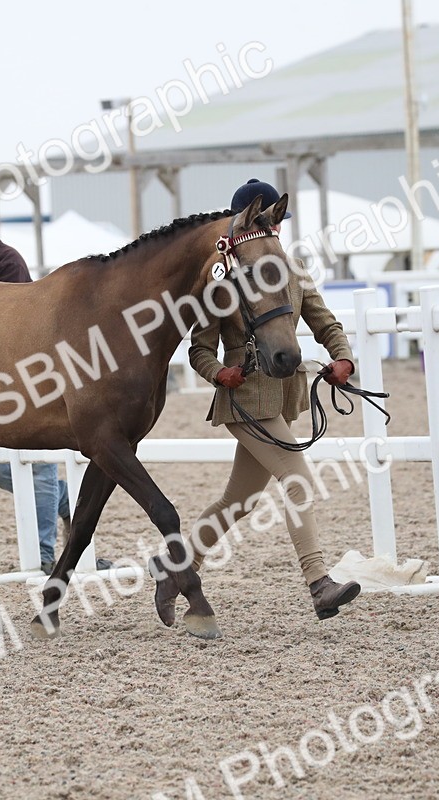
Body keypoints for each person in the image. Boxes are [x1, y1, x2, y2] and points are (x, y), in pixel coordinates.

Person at [150, 179, 361, 621]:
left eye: (278, 222)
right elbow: (200, 348)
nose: (276, 230)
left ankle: (176, 568)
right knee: (298, 478)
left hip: (281, 398)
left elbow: (324, 321)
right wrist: (217, 372)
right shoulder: (221, 280)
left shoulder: (294, 269)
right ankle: (319, 583)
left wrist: (342, 356)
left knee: (238, 501)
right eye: (268, 222)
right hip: (244, 400)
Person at [0, 202, 111, 575]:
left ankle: (46, 555)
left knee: (40, 466)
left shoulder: (9, 264)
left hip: (23, 378)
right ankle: (63, 504)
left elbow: (16, 330)